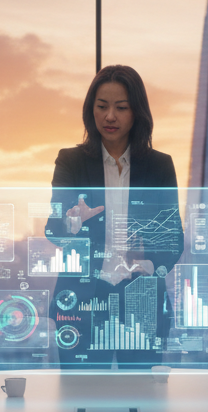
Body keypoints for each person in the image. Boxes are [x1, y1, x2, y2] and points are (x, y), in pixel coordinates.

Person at [45, 65, 182, 366]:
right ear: (90, 110)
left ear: (137, 112)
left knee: (144, 401)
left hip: (141, 301)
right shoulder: (71, 161)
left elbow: (174, 241)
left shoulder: (159, 166)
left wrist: (144, 259)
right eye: (102, 107)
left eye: (121, 108)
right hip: (82, 300)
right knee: (79, 404)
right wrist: (72, 220)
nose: (110, 116)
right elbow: (53, 229)